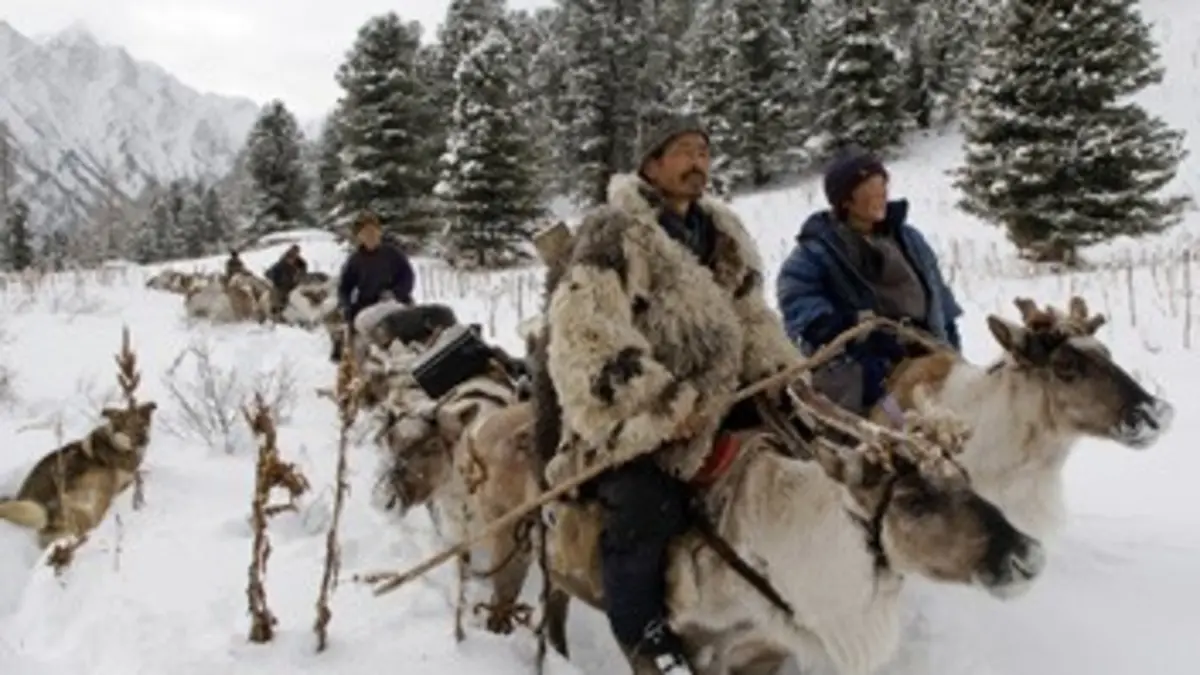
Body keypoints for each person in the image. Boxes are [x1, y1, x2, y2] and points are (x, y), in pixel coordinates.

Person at [533, 111, 803, 673]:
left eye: (703, 151)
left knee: (800, 460)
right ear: (651, 165)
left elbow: (751, 315)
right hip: (640, 414)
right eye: (683, 151)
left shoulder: (722, 234)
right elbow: (587, 332)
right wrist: (660, 404)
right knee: (645, 506)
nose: (697, 162)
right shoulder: (614, 232)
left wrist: (782, 371)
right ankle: (647, 639)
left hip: (723, 396)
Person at [775, 148, 963, 418]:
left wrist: (951, 343)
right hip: (869, 370)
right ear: (846, 201)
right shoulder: (816, 252)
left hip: (929, 351)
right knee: (900, 426)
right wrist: (846, 327)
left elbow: (938, 297)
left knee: (962, 417)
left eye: (882, 186)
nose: (880, 195)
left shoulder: (909, 239)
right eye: (869, 189)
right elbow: (798, 300)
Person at [335, 210, 416, 362]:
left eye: (373, 231)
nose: (370, 235)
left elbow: (408, 277)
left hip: (395, 302)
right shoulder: (355, 261)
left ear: (379, 232)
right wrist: (345, 306)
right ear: (359, 237)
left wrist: (396, 293)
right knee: (362, 326)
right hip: (368, 307)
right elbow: (344, 288)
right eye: (365, 232)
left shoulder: (392, 253)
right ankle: (377, 356)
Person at [264, 245, 309, 317]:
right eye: (291, 257)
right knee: (276, 294)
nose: (292, 259)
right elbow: (270, 272)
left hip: (296, 285)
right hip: (281, 285)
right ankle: (276, 311)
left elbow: (303, 274)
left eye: (296, 254)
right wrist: (275, 278)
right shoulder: (280, 264)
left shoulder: (301, 264)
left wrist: (300, 278)